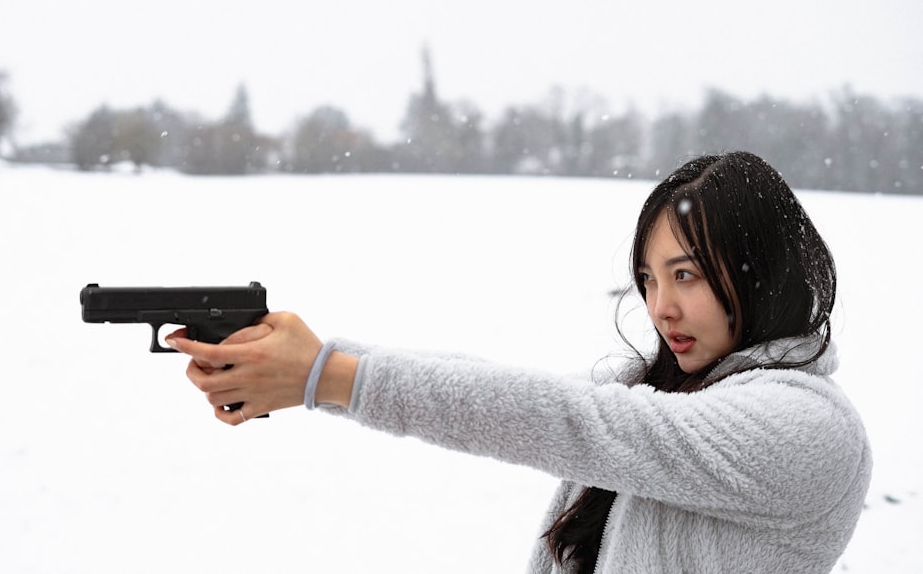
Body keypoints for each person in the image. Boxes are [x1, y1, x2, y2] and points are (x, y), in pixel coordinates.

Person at [165, 151, 871, 573]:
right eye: (649, 280)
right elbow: (498, 389)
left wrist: (329, 376)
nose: (661, 309)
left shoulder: (807, 427)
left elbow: (567, 421)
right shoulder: (662, 395)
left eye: (685, 275)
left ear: (759, 271)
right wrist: (314, 359)